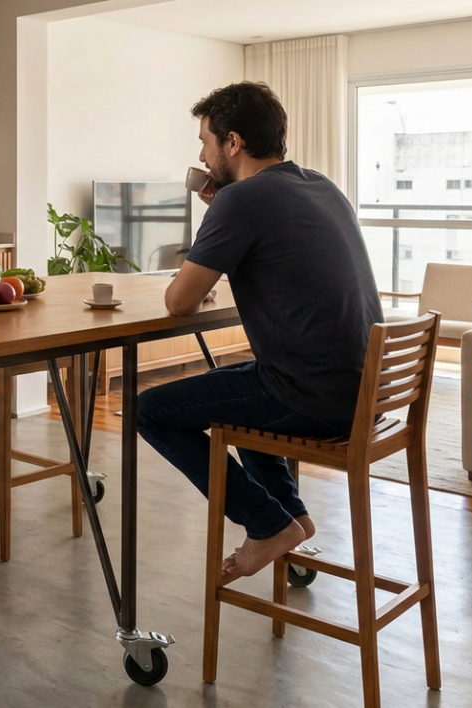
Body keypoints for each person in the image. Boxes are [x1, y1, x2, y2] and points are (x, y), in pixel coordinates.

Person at [137, 82, 382, 578]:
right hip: (365, 391)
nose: (202, 157)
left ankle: (267, 522)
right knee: (241, 389)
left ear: (233, 142)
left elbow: (178, 303)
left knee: (149, 410)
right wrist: (223, 213)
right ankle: (291, 515)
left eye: (205, 143)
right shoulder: (321, 185)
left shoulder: (241, 202)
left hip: (316, 398)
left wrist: (222, 211)